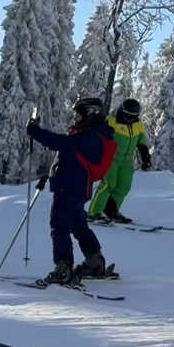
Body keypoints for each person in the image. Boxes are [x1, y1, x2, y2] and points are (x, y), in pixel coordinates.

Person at [27, 97, 118, 285]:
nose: (75, 119)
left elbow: (60, 143)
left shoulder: (89, 137)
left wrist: (34, 131)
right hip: (75, 188)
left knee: (59, 225)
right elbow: (70, 154)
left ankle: (63, 268)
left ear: (91, 115)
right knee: (78, 225)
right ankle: (95, 263)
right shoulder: (93, 134)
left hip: (69, 189)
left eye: (79, 115)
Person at [87, 98, 152, 224]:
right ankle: (93, 212)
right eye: (127, 116)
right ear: (122, 112)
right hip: (110, 159)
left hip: (127, 161)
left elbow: (140, 139)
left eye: (133, 117)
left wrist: (145, 155)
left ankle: (111, 210)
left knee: (124, 185)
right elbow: (97, 137)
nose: (130, 119)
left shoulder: (137, 125)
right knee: (107, 184)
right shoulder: (111, 122)